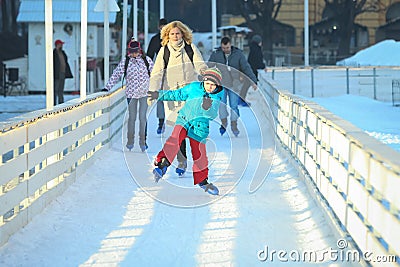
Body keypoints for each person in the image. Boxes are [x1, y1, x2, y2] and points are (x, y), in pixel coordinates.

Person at [148, 68, 224, 195]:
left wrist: (206, 108)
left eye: (213, 85)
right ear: (204, 81)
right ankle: (163, 164)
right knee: (174, 140)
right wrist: (159, 94)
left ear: (217, 85)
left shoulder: (216, 96)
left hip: (199, 129)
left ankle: (203, 181)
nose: (210, 87)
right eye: (208, 84)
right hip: (184, 120)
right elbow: (176, 94)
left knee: (200, 156)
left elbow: (212, 114)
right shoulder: (193, 87)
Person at [149, 20, 207, 175]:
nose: (175, 36)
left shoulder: (190, 48)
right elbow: (157, 73)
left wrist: (206, 74)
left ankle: (189, 161)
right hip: (171, 95)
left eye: (178, 33)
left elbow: (200, 64)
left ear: (183, 34)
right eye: (172, 34)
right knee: (177, 127)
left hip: (189, 94)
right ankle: (181, 160)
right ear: (168, 35)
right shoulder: (164, 51)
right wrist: (153, 91)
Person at [104, 39, 154, 152]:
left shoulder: (146, 61)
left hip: (144, 94)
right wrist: (107, 87)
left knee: (142, 118)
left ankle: (143, 141)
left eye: (135, 51)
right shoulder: (126, 61)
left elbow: (155, 74)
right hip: (131, 94)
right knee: (132, 118)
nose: (133, 54)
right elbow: (116, 74)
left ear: (140, 50)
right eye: (131, 52)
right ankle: (130, 141)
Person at [208, 36, 257, 137]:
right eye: (224, 48)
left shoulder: (238, 54)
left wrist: (253, 81)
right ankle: (224, 121)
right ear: (221, 46)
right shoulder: (216, 54)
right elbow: (209, 67)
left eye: (227, 48)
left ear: (230, 46)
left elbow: (246, 67)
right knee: (221, 105)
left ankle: (234, 124)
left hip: (234, 85)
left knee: (234, 105)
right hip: (221, 84)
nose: (226, 50)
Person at [239, 34, 267, 106]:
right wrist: (263, 66)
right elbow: (258, 61)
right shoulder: (257, 49)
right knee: (246, 85)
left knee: (246, 85)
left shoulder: (252, 48)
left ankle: (240, 99)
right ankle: (241, 100)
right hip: (252, 70)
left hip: (249, 69)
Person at [53, 39, 73, 105]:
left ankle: (61, 102)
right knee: (55, 89)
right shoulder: (54, 53)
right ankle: (54, 103)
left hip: (63, 73)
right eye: (60, 44)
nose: (61, 45)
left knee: (61, 89)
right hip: (57, 74)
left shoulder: (63, 52)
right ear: (57, 45)